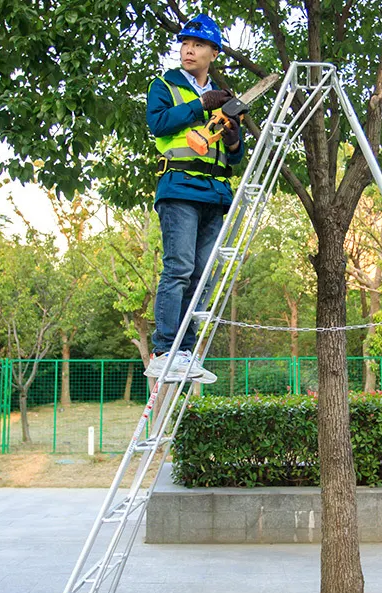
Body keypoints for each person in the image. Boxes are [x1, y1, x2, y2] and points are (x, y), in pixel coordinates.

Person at [144, 13, 244, 382]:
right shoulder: (165, 86)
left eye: (198, 44)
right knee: (179, 268)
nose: (189, 49)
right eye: (186, 43)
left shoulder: (221, 96)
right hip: (180, 188)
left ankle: (183, 352)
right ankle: (164, 349)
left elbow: (234, 154)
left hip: (215, 193)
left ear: (213, 53)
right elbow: (159, 124)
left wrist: (232, 137)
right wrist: (202, 105)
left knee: (202, 274)